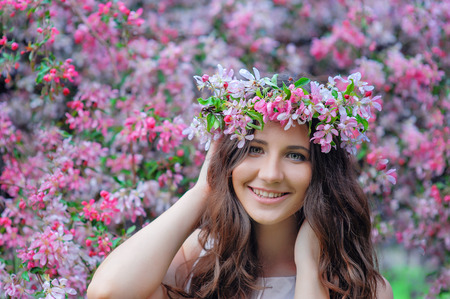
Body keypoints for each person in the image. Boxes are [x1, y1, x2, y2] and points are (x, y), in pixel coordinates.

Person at [87, 66, 394, 299]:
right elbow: (109, 292)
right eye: (254, 150)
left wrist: (309, 265)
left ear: (323, 171)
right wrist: (203, 190)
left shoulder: (364, 287)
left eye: (296, 156)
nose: (271, 173)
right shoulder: (197, 263)